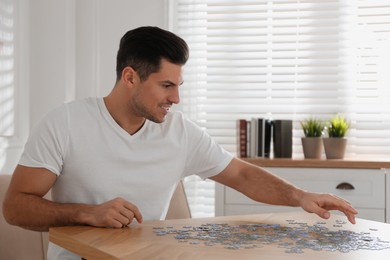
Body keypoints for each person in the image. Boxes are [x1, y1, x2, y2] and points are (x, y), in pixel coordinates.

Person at [2, 26, 358, 259]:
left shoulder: (180, 131)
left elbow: (242, 176)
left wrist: (300, 196)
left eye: (178, 86)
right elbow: (15, 207)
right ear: (130, 77)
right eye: (166, 86)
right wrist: (86, 213)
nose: (176, 98)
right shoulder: (65, 122)